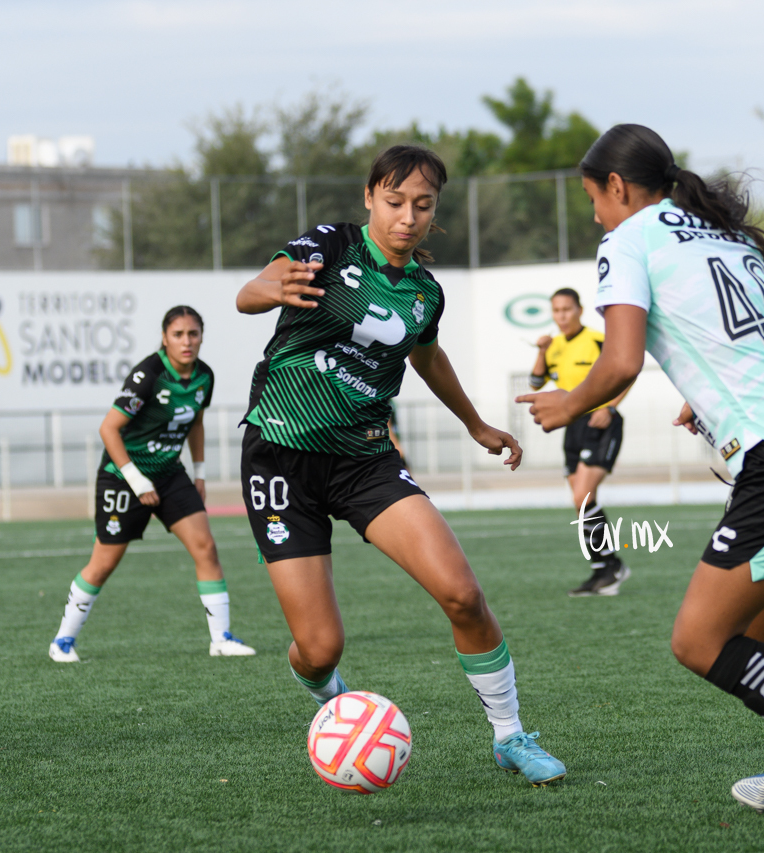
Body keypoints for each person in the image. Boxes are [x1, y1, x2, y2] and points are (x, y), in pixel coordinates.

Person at [517, 125, 764, 837]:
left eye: (593, 200)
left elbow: (623, 360)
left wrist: (567, 402)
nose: (595, 216)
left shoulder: (629, 240)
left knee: (698, 639)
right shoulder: (721, 233)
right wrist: (713, 388)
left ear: (618, 187)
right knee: (760, 624)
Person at [234, 144, 566, 786]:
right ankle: (332, 697)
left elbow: (427, 357)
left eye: (422, 205)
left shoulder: (424, 292)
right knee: (320, 648)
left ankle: (510, 736)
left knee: (462, 594)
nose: (407, 217)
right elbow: (255, 291)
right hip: (281, 455)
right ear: (369, 197)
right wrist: (264, 289)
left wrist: (476, 425)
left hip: (364, 459)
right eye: (394, 202)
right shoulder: (329, 247)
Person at [48, 306, 256, 662]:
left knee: (205, 547)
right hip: (122, 476)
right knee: (103, 564)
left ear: (201, 337)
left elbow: (196, 423)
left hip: (168, 473)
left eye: (193, 334)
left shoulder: (205, 376)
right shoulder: (148, 374)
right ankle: (62, 641)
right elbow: (108, 429)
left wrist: (200, 473)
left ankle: (220, 638)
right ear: (165, 338)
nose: (186, 341)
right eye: (178, 334)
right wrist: (136, 480)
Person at [528, 288, 631, 596]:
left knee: (582, 498)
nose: (561, 316)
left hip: (601, 422)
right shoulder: (554, 345)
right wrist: (541, 351)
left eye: (566, 310)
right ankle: (605, 568)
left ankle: (610, 567)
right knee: (580, 503)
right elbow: (535, 382)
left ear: (579, 310)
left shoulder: (598, 340)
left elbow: (628, 371)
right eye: (556, 311)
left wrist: (609, 406)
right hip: (572, 426)